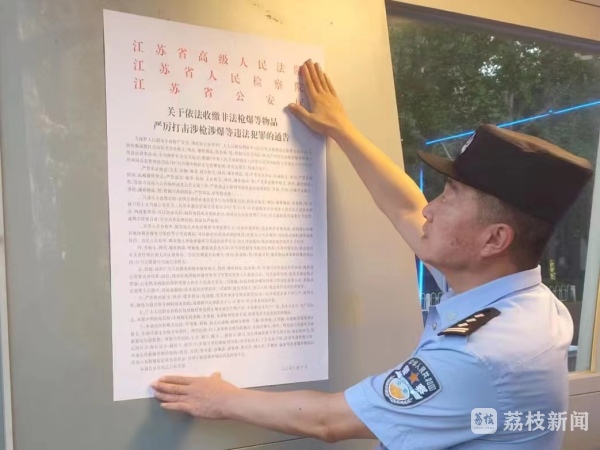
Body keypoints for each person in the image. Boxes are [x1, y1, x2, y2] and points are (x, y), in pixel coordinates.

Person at [152, 60, 594, 449]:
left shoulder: (482, 353)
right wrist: (341, 129)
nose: (431, 209)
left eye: (449, 197)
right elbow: (405, 206)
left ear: (494, 240)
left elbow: (329, 421)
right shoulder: (510, 292)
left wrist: (222, 399)